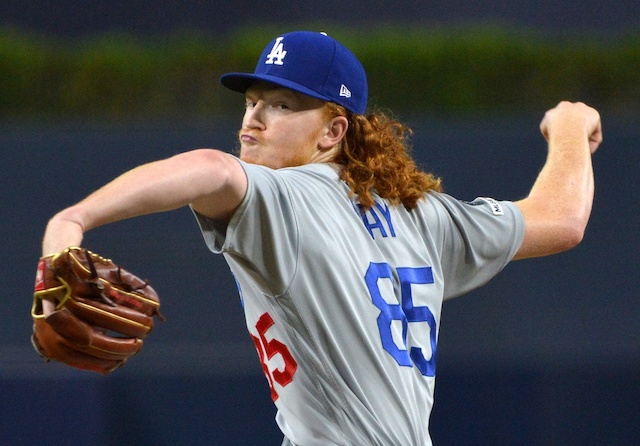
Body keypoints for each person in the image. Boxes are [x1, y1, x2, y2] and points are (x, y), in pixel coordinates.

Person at [39, 31, 602, 445]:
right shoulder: (421, 215)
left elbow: (210, 168)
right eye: (251, 101)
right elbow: (562, 217)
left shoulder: (289, 198)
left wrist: (73, 219)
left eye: (283, 105)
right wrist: (572, 130)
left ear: (334, 130)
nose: (253, 119)